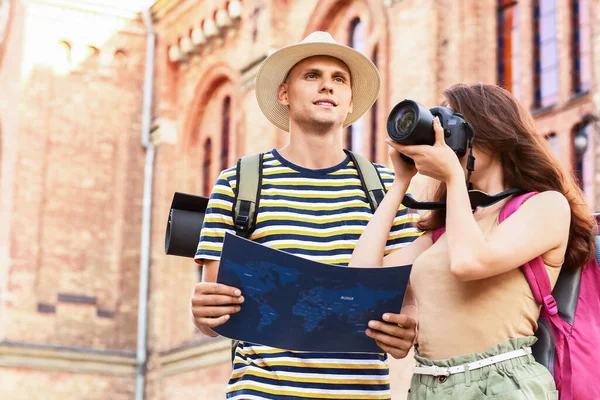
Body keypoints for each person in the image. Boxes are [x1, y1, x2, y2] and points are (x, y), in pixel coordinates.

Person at [191, 31, 421, 399]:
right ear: (284, 94)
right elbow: (216, 310)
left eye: (339, 80)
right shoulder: (239, 182)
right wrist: (202, 314)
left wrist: (409, 328)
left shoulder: (386, 186)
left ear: (348, 103)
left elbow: (408, 294)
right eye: (312, 76)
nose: (327, 86)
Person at [349, 83, 597, 399]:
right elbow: (361, 280)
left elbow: (470, 263)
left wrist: (453, 175)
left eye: (451, 126)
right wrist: (400, 182)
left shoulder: (546, 205)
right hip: (428, 386)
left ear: (493, 130)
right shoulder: (447, 231)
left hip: (501, 385)